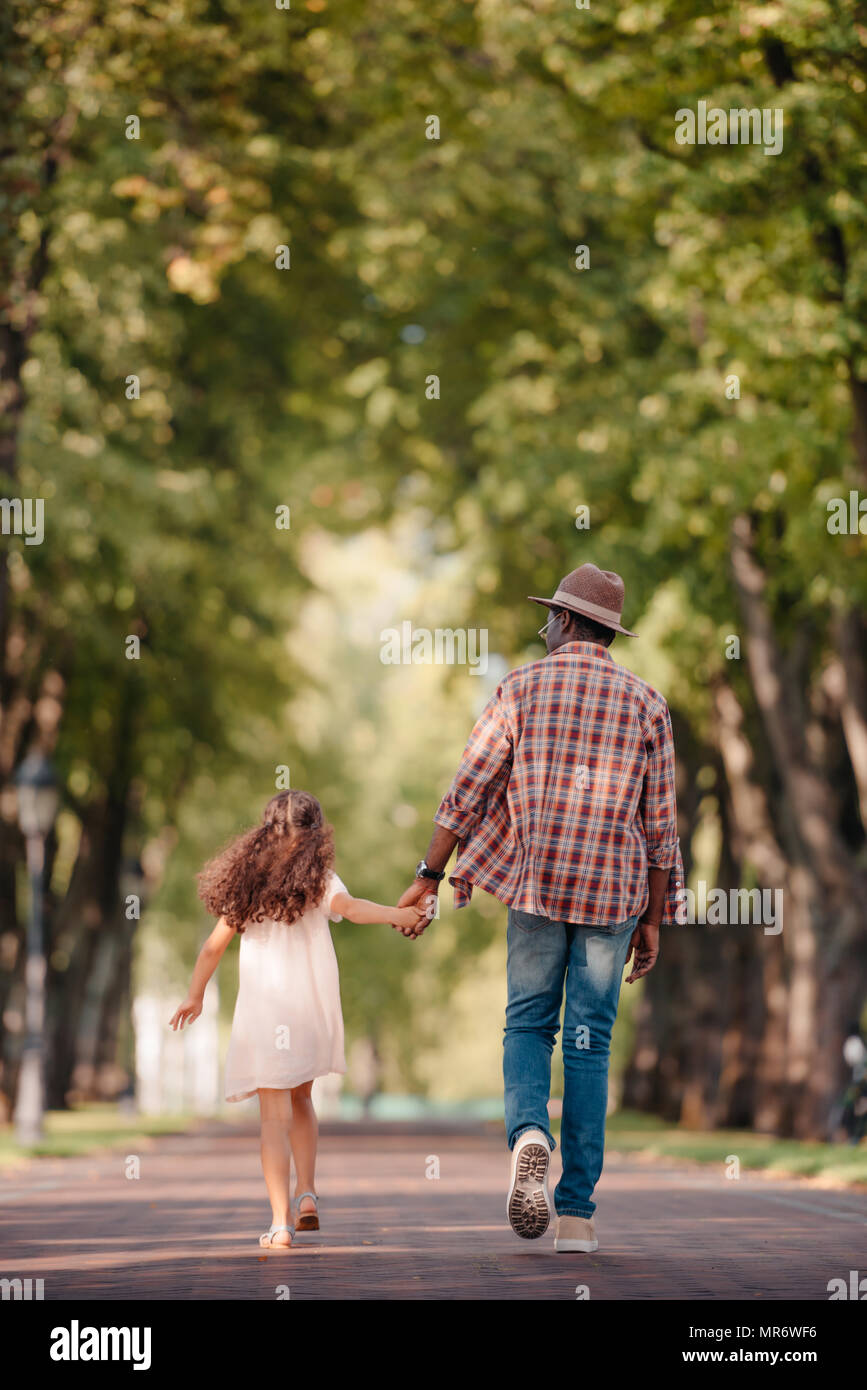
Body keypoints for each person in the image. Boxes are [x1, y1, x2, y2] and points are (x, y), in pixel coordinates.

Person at [397, 563, 685, 1254]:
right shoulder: (646, 702)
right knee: (589, 1046)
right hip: (612, 895)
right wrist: (653, 918)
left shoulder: (519, 688)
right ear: (608, 631)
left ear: (564, 622)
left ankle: (529, 1132)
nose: (540, 626)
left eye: (547, 616)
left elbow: (465, 790)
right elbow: (660, 826)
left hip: (536, 888)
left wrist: (429, 875)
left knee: (528, 1026)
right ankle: (577, 1217)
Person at [170, 789, 426, 1249]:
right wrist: (399, 914)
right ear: (316, 835)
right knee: (303, 1099)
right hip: (310, 1009)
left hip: (265, 1013)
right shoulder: (322, 879)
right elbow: (353, 909)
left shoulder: (246, 883)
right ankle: (307, 1193)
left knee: (273, 1117)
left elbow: (213, 946)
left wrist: (195, 995)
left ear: (266, 832)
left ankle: (280, 1223)